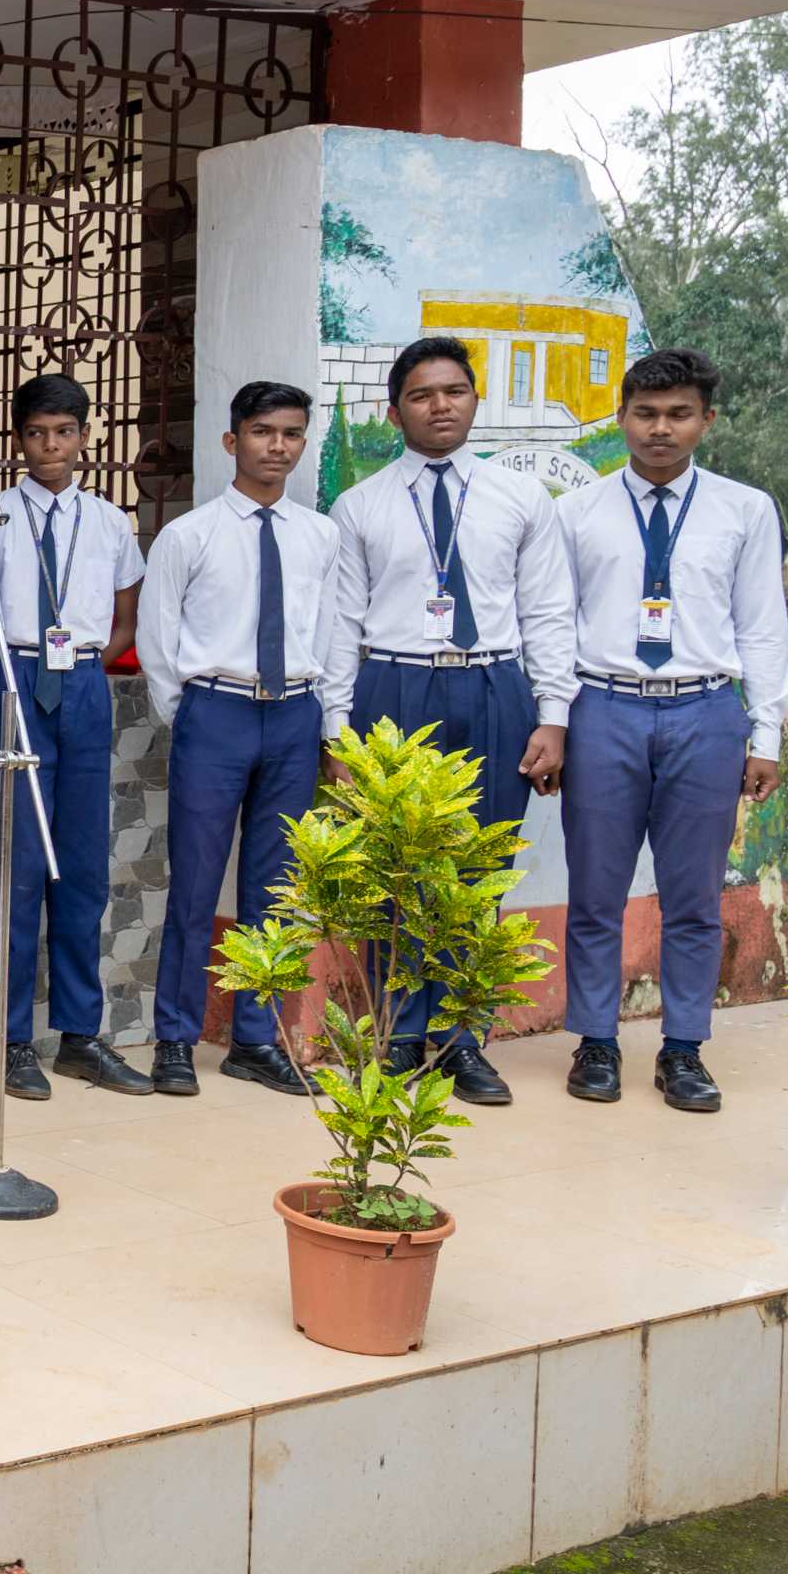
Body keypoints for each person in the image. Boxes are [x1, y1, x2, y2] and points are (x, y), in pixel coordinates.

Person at [317, 335, 577, 1106]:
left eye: (454, 392)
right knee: (392, 873)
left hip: (493, 688)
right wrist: (337, 731)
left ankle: (461, 1040)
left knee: (474, 874)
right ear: (393, 409)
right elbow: (339, 624)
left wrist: (552, 715)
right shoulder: (357, 505)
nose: (440, 406)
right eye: (423, 395)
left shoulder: (519, 498)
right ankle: (398, 1036)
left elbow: (548, 612)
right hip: (390, 689)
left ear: (473, 400)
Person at [555, 349, 788, 1113]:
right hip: (604, 709)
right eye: (645, 413)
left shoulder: (743, 510)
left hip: (702, 711)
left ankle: (682, 1049)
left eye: (678, 413)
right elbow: (554, 629)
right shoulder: (577, 512)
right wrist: (554, 722)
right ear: (620, 417)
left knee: (691, 895)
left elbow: (761, 626)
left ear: (705, 421)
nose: (660, 429)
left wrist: (763, 734)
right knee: (594, 890)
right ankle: (594, 1041)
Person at [137, 382, 335, 1096]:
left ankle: (256, 1038)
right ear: (231, 442)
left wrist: (329, 728)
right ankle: (174, 1037)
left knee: (274, 889)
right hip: (213, 714)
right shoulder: (189, 535)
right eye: (260, 432)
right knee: (193, 883)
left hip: (293, 716)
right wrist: (185, 716)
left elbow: (331, 635)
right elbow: (157, 640)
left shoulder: (319, 535)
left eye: (289, 434)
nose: (275, 446)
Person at [0, 375, 149, 1098]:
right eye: (37, 433)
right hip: (16, 681)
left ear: (84, 437)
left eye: (64, 432)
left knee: (79, 867)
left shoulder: (108, 522)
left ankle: (79, 1034)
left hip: (78, 680)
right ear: (19, 439)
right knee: (15, 865)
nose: (51, 446)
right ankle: (10, 1041)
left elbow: (124, 621)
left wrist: (78, 667)